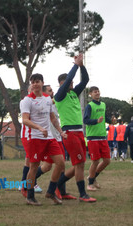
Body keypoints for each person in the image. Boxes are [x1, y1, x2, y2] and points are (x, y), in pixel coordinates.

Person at [54, 53, 96, 202]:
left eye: (72, 83)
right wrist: (75, 65)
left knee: (80, 163)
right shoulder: (60, 95)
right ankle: (82, 194)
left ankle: (56, 186)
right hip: (69, 132)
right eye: (68, 83)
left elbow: (85, 80)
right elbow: (67, 83)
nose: (71, 85)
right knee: (79, 165)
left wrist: (82, 66)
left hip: (79, 132)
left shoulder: (73, 94)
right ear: (61, 84)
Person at [21, 73, 66, 206]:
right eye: (33, 82)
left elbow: (52, 118)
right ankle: (30, 196)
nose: (35, 84)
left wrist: (60, 132)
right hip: (35, 137)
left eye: (37, 81)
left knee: (61, 163)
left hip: (49, 138)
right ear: (31, 84)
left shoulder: (47, 99)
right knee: (33, 166)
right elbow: (24, 120)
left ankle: (51, 191)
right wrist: (39, 128)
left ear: (42, 83)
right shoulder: (27, 100)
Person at [83, 86, 111, 191]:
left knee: (107, 160)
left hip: (102, 136)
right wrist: (96, 121)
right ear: (90, 94)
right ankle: (90, 184)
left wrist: (111, 120)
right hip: (93, 137)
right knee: (95, 161)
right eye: (95, 92)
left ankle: (92, 177)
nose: (97, 93)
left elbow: (104, 117)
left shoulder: (103, 104)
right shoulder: (89, 106)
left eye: (98, 91)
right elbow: (85, 120)